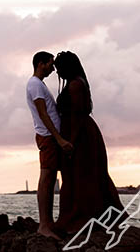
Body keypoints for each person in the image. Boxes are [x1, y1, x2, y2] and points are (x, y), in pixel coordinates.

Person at [52, 50, 122, 236]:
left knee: (82, 176)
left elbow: (78, 116)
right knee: (87, 175)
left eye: (59, 68)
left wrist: (70, 143)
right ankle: (96, 217)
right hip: (81, 135)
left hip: (81, 137)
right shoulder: (76, 83)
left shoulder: (75, 85)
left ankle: (80, 219)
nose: (57, 73)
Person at [26, 51, 72, 240]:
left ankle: (48, 223)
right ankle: (44, 226)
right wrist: (59, 139)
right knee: (46, 180)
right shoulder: (35, 85)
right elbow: (43, 114)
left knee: (50, 179)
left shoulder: (39, 85)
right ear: (40, 63)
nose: (53, 68)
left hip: (50, 137)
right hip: (48, 138)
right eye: (50, 64)